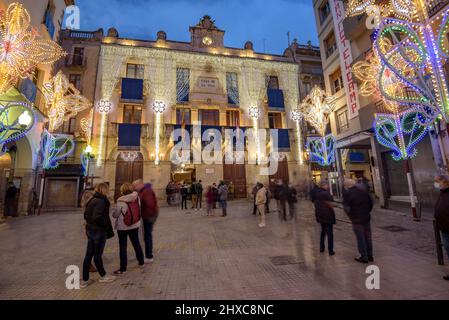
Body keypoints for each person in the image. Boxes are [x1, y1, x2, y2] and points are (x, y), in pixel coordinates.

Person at [81, 183, 116, 288]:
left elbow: (86, 215)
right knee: (97, 255)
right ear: (104, 190)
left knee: (89, 255)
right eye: (107, 189)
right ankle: (104, 276)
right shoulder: (101, 201)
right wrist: (105, 224)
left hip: (91, 230)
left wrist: (91, 224)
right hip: (98, 231)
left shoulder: (92, 199)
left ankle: (85, 280)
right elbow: (97, 216)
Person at [112, 183, 145, 275]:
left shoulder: (120, 201)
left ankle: (123, 269)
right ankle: (141, 262)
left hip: (122, 227)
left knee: (123, 247)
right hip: (134, 225)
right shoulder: (136, 198)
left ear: (122, 190)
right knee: (136, 243)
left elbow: (115, 215)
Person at [343, 178, 374, 264]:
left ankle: (364, 257)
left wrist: (351, 216)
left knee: (361, 238)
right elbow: (371, 202)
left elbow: (346, 207)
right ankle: (370, 255)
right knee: (368, 236)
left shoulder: (348, 193)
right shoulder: (363, 190)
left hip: (356, 218)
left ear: (347, 185)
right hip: (366, 217)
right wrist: (367, 211)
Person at [133, 179, 158, 263]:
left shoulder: (146, 192)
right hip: (148, 215)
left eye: (135, 186)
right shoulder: (144, 191)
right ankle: (148, 254)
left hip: (149, 216)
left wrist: (141, 208)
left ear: (140, 184)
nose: (135, 188)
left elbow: (150, 204)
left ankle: (149, 256)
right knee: (147, 235)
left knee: (147, 236)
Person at [434, 174, 449, 281]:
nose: (436, 184)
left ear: (445, 182)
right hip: (443, 228)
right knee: (448, 249)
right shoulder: (441, 193)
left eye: (437, 181)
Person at [314, 181, 336, 256]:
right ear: (324, 185)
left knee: (323, 232)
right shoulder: (326, 193)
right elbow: (332, 204)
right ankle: (330, 250)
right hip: (328, 215)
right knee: (330, 233)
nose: (328, 186)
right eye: (327, 185)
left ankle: (321, 247)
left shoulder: (316, 193)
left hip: (320, 215)